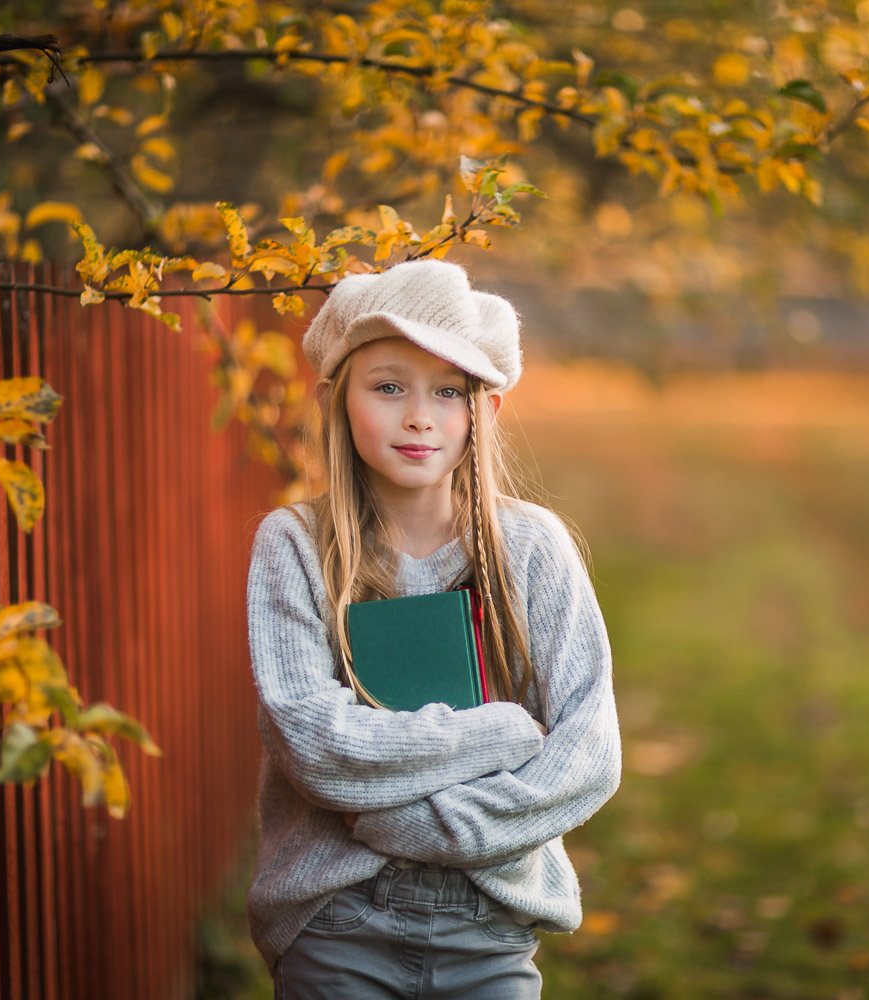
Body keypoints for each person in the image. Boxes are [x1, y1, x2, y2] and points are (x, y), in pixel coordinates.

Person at [245, 258, 623, 999]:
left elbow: (589, 753)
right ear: (338, 400)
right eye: (389, 387)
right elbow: (314, 743)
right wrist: (502, 735)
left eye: (448, 392)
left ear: (485, 411)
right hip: (337, 923)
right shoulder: (293, 545)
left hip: (490, 926)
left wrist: (432, 829)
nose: (420, 416)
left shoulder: (531, 549)